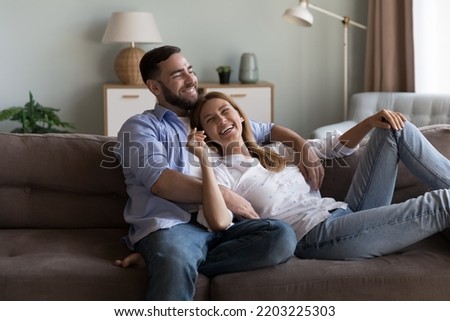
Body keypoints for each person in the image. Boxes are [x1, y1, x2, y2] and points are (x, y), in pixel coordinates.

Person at [115, 45, 300, 300]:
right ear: (155, 87)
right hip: (175, 225)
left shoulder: (207, 116)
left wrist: (301, 144)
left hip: (222, 223)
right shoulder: (140, 127)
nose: (191, 79)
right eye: (178, 75)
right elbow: (160, 181)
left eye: (190, 70)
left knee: (280, 236)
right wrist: (222, 194)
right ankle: (170, 260)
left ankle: (163, 261)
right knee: (176, 257)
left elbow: (266, 129)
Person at [186, 91, 450, 261]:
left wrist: (370, 121)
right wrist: (202, 159)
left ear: (240, 116)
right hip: (318, 237)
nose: (221, 120)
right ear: (206, 134)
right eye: (211, 120)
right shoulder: (221, 174)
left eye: (225, 111)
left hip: (346, 213)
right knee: (443, 202)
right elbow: (218, 221)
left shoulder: (276, 151)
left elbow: (335, 147)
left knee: (393, 128)